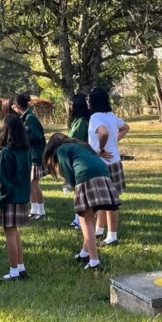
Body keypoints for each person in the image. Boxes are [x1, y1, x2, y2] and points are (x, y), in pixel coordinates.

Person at [43, 133, 120, 271]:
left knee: (84, 221)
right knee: (90, 218)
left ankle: (94, 262)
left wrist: (74, 189)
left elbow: (69, 173)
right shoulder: (82, 145)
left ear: (52, 148)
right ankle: (84, 254)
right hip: (104, 174)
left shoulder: (61, 150)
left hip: (85, 177)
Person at [88, 88, 130, 247]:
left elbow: (103, 133)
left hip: (102, 164)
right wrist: (114, 142)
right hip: (115, 162)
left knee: (110, 201)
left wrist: (101, 149)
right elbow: (126, 127)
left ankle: (112, 236)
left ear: (93, 102)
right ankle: (99, 229)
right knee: (105, 200)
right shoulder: (110, 116)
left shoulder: (95, 117)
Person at [0, 113, 32, 281]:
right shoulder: (26, 151)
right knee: (15, 232)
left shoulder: (6, 153)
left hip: (9, 198)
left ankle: (14, 271)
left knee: (9, 232)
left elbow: (3, 181)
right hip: (22, 196)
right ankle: (21, 267)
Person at [13, 94, 47, 220]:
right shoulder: (24, 117)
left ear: (17, 106)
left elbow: (37, 136)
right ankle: (34, 209)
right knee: (30, 183)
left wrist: (23, 138)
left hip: (36, 155)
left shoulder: (31, 118)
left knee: (34, 183)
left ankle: (41, 211)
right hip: (29, 155)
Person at [67, 93, 91, 230]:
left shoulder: (82, 122)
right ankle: (77, 218)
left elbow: (75, 141)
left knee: (81, 192)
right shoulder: (77, 120)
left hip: (81, 160)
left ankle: (80, 220)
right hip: (77, 159)